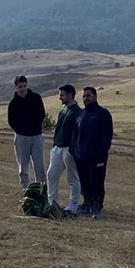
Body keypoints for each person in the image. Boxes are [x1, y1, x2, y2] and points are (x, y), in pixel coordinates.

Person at [74, 85, 114, 218]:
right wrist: (75, 151)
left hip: (96, 157)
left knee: (96, 182)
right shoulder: (81, 114)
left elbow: (106, 137)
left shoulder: (103, 114)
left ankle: (96, 206)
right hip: (81, 156)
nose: (86, 98)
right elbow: (76, 134)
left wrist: (101, 156)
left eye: (89, 95)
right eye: (84, 96)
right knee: (84, 182)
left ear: (95, 97)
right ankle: (87, 204)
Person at [46, 84, 82, 217]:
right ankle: (52, 202)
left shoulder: (77, 112)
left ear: (70, 95)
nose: (60, 97)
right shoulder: (63, 110)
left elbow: (77, 134)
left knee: (73, 178)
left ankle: (73, 205)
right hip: (58, 148)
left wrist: (73, 149)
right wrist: (54, 145)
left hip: (69, 149)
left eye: (62, 95)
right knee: (51, 175)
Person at [7, 74, 47, 189]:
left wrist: (35, 127)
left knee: (39, 166)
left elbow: (41, 114)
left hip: (36, 136)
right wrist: (21, 130)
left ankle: (41, 192)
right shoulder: (13, 103)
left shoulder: (36, 98)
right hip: (21, 138)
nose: (23, 89)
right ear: (16, 87)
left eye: (24, 86)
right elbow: (11, 121)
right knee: (23, 167)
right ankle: (26, 191)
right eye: (20, 86)